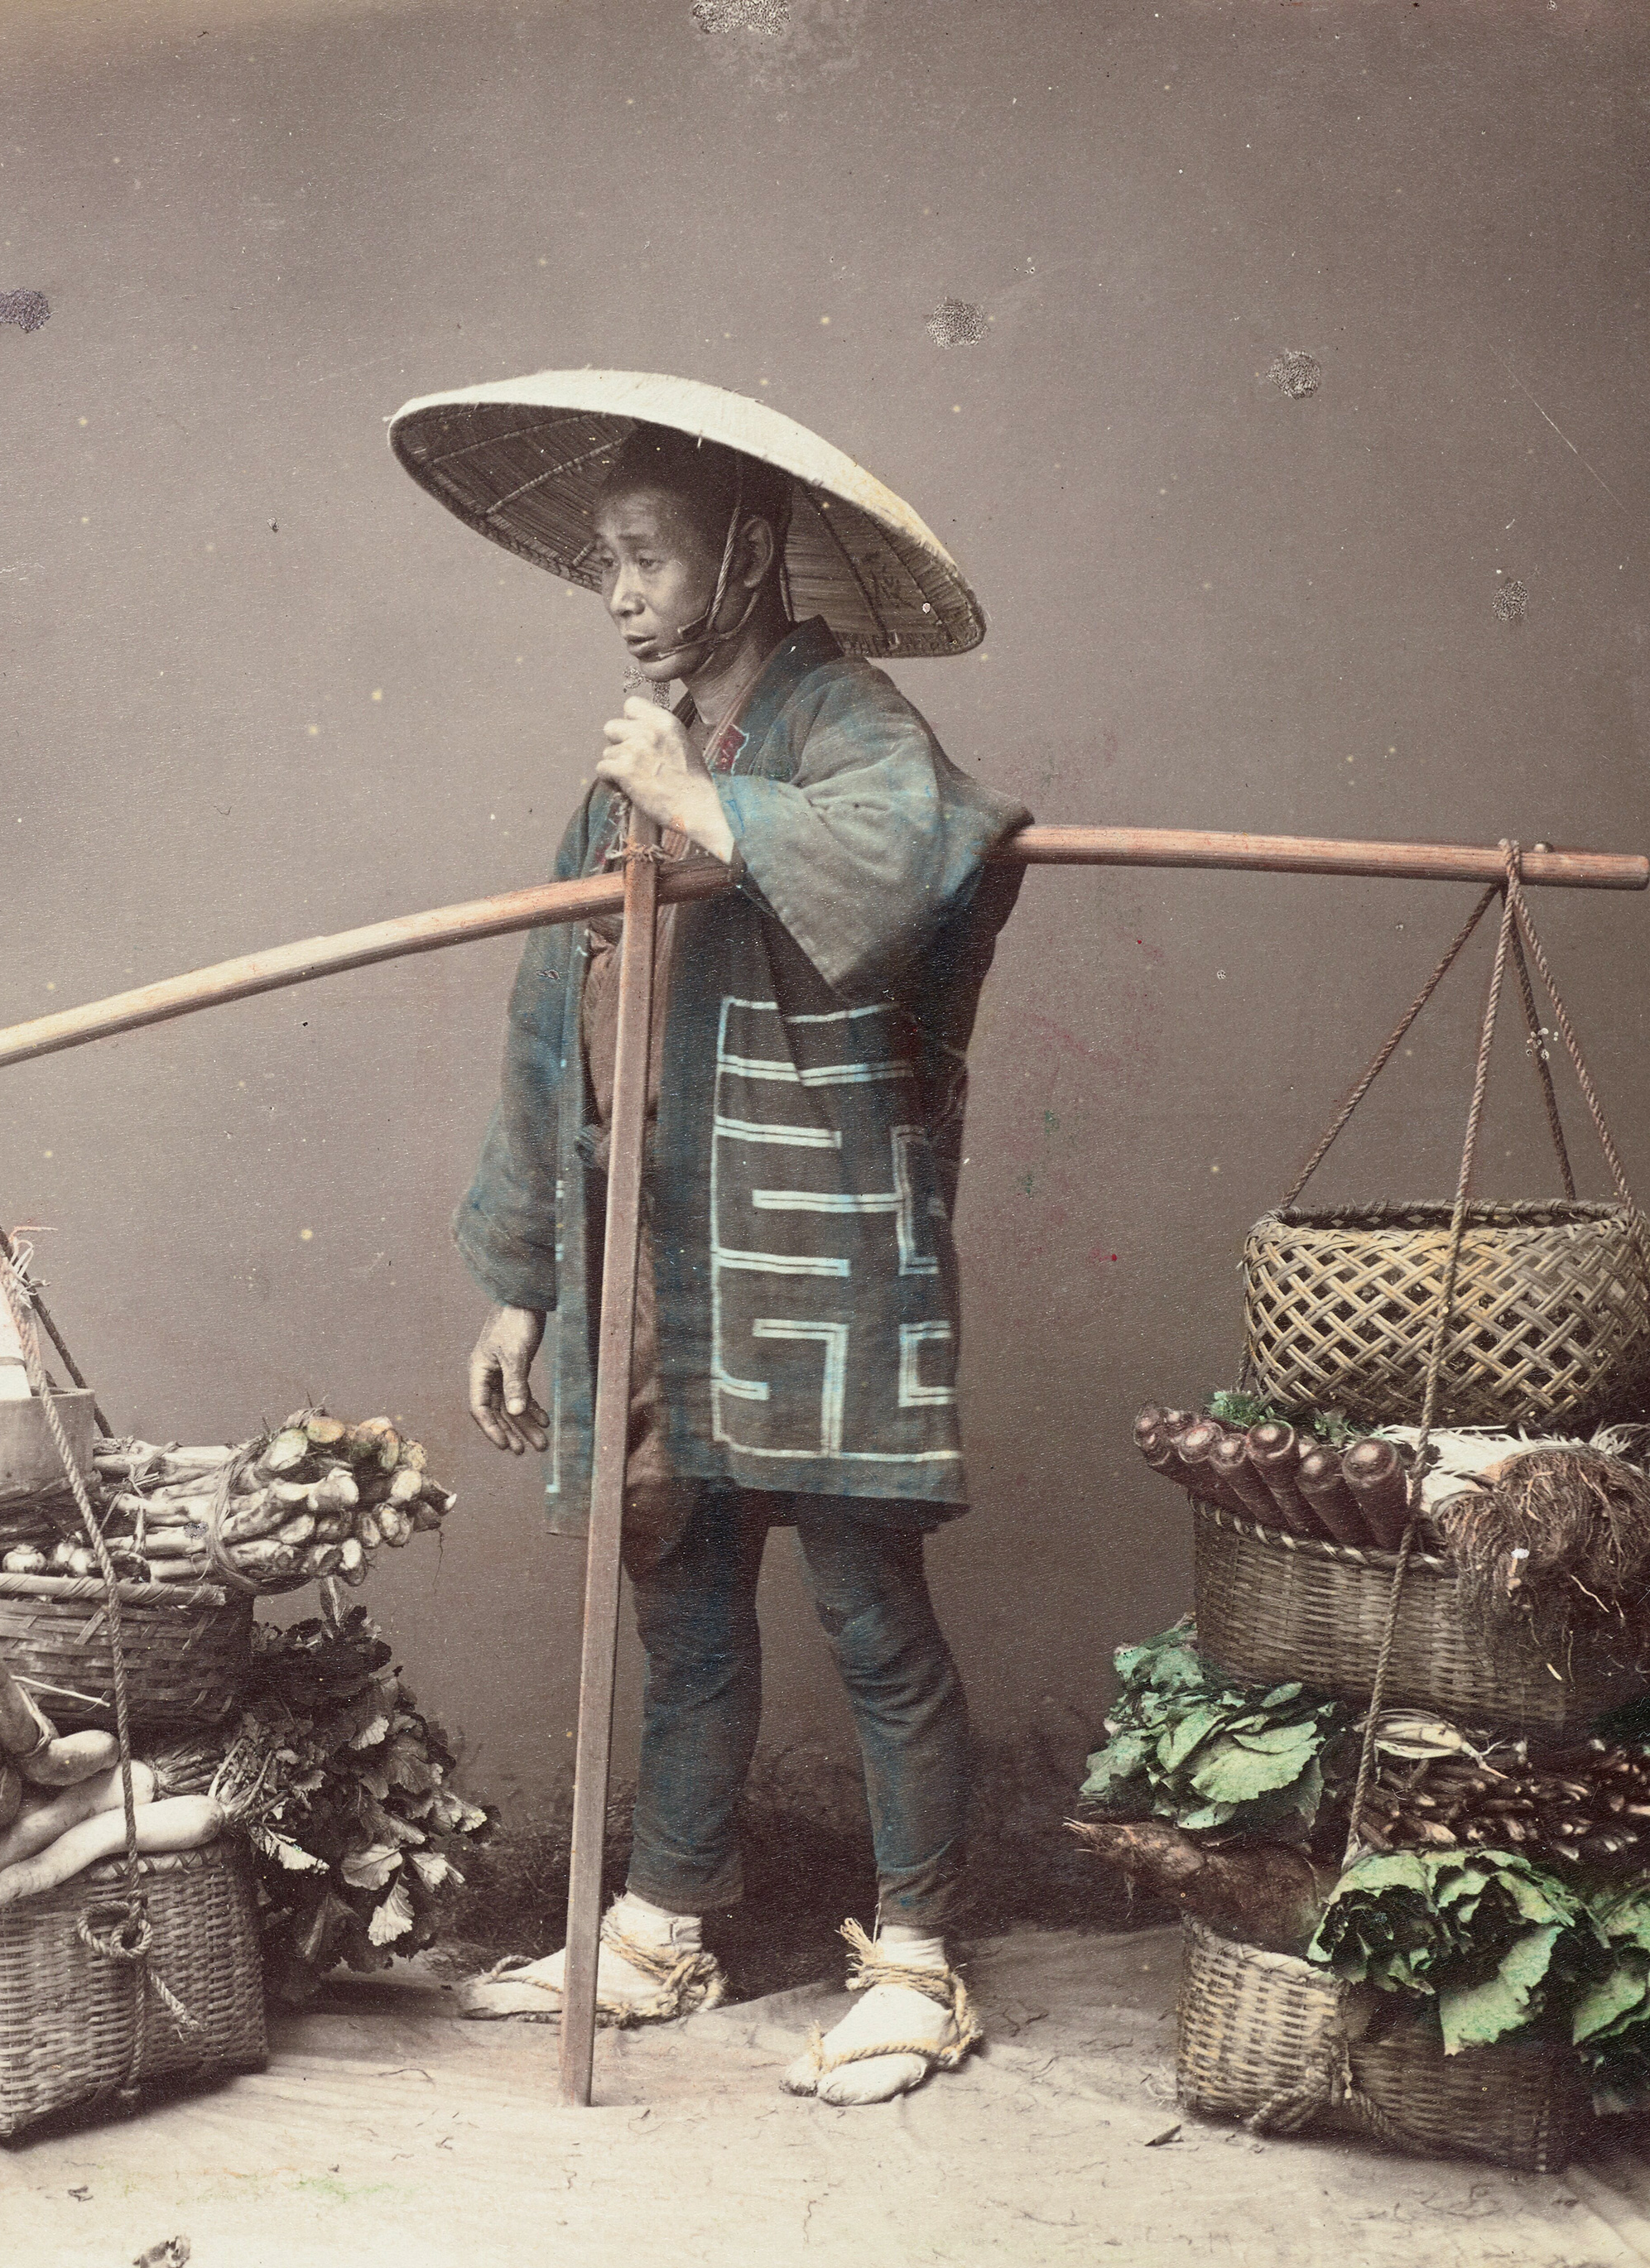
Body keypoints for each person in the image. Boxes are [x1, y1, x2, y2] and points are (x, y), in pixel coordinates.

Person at [445, 409, 1027, 2106]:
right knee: (681, 1598)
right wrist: (526, 1278)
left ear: (746, 553)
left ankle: (917, 1953)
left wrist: (705, 797)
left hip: (819, 1233)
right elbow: (551, 1012)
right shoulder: (629, 756)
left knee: (864, 1604)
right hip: (661, 1248)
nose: (617, 590)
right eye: (602, 556)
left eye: (648, 551)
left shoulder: (849, 718)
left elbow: (920, 854)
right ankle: (663, 1916)